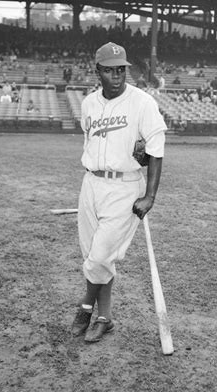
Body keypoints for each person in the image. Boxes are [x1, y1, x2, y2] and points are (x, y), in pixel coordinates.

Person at [71, 42, 167, 344]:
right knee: (95, 256)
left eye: (121, 69)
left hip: (125, 187)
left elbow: (156, 150)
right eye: (110, 70)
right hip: (91, 184)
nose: (117, 75)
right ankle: (105, 318)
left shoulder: (142, 102)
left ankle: (86, 307)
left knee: (99, 257)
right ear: (98, 71)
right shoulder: (88, 104)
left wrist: (149, 196)